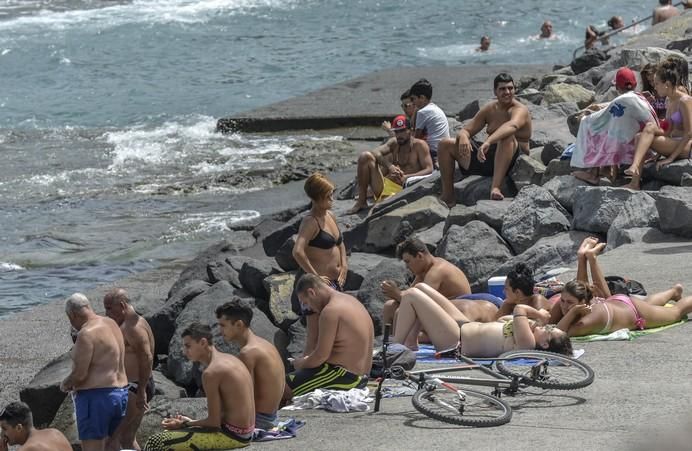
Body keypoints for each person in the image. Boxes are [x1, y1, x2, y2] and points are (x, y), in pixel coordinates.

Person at [143, 323, 254, 450]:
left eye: (188, 346)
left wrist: (185, 423)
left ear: (202, 342)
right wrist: (190, 423)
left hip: (231, 436)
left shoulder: (211, 372)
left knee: (155, 442)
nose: (184, 351)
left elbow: (214, 423)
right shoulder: (231, 360)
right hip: (245, 433)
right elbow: (224, 413)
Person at [549, 238, 692, 337]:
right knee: (648, 304)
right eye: (563, 301)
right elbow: (581, 287)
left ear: (582, 304)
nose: (564, 306)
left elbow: (558, 333)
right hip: (619, 302)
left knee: (676, 312)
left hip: (634, 312)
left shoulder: (583, 323)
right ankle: (674, 291)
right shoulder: (584, 303)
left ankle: (675, 292)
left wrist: (573, 312)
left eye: (570, 303)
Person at [393, 283, 572, 357]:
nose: (546, 327)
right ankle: (411, 343)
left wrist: (539, 315)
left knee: (411, 295)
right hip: (464, 326)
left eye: (549, 330)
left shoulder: (528, 343)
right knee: (421, 287)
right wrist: (534, 322)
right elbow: (504, 319)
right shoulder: (527, 331)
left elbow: (519, 309)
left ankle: (394, 349)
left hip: (456, 341)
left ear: (545, 345)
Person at [437, 72, 532, 205]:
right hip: (490, 158)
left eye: (510, 88)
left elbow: (512, 125)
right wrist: (463, 136)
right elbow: (466, 130)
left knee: (506, 136)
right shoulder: (490, 108)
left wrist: (488, 141)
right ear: (495, 91)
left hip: (514, 160)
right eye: (502, 89)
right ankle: (448, 196)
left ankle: (496, 187)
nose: (507, 92)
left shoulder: (520, 109)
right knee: (445, 144)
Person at [283, 274, 374, 401]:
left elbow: (320, 356)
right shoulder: (351, 300)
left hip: (344, 376)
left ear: (311, 292)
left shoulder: (330, 311)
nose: (309, 308)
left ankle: (268, 420)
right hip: (361, 374)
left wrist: (299, 363)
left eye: (306, 303)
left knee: (280, 386)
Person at [61, 293, 128, 451]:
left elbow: (79, 375)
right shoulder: (111, 323)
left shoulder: (86, 334)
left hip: (97, 398)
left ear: (73, 315)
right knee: (113, 446)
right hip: (121, 394)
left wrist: (65, 384)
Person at [570, 67, 658, 186]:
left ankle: (593, 172)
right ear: (635, 84)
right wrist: (601, 107)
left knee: (591, 125)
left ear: (617, 87)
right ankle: (605, 169)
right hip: (647, 142)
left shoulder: (622, 100)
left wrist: (585, 117)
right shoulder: (640, 97)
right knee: (613, 124)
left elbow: (601, 117)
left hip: (641, 144)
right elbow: (617, 106)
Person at [292, 173, 348, 354]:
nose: (332, 199)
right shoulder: (310, 221)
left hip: (335, 283)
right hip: (316, 288)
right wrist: (314, 277)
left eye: (332, 194)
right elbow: (297, 251)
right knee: (314, 335)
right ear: (316, 198)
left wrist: (344, 267)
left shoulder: (330, 215)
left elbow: (340, 243)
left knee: (335, 331)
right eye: (328, 196)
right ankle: (305, 374)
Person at [381, 236, 475, 334]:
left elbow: (418, 301)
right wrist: (393, 292)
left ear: (420, 256)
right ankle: (387, 342)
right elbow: (412, 295)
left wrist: (396, 293)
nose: (407, 267)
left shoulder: (437, 271)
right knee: (389, 306)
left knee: (400, 312)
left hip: (456, 315)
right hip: (439, 312)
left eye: (408, 262)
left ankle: (400, 342)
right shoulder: (423, 271)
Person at [216, 299, 285, 430]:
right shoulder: (265, 344)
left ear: (238, 324)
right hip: (272, 416)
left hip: (260, 421)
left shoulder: (248, 353)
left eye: (223, 325)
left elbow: (243, 397)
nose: (220, 331)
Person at [625, 59, 692, 190]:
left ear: (667, 84)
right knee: (642, 134)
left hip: (687, 147)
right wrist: (657, 154)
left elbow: (689, 133)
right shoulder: (669, 100)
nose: (654, 87)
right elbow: (668, 130)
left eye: (656, 83)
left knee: (645, 134)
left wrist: (670, 158)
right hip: (674, 141)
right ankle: (634, 181)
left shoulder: (685, 100)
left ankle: (634, 171)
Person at [102, 288, 155, 451]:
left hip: (136, 388)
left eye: (109, 308)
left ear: (122, 305)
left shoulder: (133, 328)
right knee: (127, 438)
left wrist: (141, 391)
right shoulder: (132, 322)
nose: (106, 313)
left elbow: (147, 358)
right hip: (135, 386)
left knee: (112, 441)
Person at [347, 116, 433, 214]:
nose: (399, 135)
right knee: (365, 156)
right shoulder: (394, 143)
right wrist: (390, 166)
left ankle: (380, 202)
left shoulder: (420, 145)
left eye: (402, 131)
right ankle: (361, 202)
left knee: (380, 208)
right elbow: (375, 152)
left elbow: (429, 169)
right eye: (396, 132)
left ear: (411, 131)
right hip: (386, 185)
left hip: (405, 189)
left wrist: (407, 177)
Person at [0, 402, 72, 451]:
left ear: (19, 428)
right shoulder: (55, 433)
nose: (1, 434)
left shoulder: (27, 449)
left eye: (4, 428)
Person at [410, 78, 450, 161]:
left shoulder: (423, 112)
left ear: (422, 98)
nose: (412, 103)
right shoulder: (434, 107)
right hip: (444, 150)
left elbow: (416, 138)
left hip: (434, 152)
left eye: (413, 99)